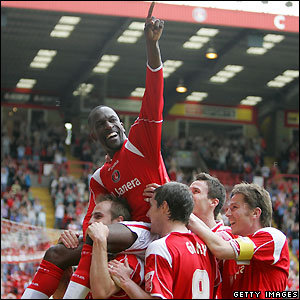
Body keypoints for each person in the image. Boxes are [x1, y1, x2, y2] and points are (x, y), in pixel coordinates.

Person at [22, 2, 168, 299]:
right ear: (93, 134)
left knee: (96, 233)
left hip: (156, 231)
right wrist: (72, 235)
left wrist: (152, 46)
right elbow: (92, 218)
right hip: (124, 236)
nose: (109, 126)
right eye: (101, 124)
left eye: (113, 120)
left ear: (123, 124)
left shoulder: (142, 144)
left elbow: (154, 91)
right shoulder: (101, 178)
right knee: (56, 253)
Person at [109, 181, 220, 299]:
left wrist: (125, 281)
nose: (147, 213)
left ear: (164, 207)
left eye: (151, 206)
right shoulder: (206, 246)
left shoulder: (161, 247)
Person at [188, 182, 290, 299]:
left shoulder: (272, 237)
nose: (227, 214)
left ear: (255, 213)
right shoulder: (233, 242)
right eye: (228, 208)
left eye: (234, 208)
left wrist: (185, 214)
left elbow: (221, 249)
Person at [51, 194, 144, 299]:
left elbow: (101, 293)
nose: (90, 222)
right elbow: (60, 296)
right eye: (91, 217)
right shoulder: (91, 255)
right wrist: (63, 261)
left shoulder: (129, 260)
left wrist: (100, 240)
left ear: (119, 222)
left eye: (98, 216)